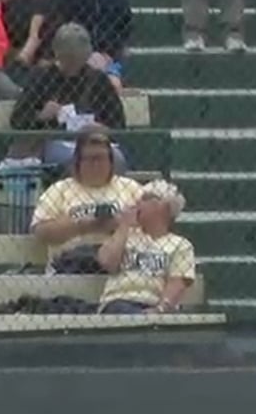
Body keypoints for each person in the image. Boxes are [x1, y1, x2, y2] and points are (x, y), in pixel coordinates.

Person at [11, 22, 128, 170]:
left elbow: (118, 123)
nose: (73, 66)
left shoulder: (98, 80)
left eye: (78, 61)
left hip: (94, 141)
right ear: (58, 55)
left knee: (116, 159)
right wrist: (41, 116)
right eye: (68, 60)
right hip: (56, 141)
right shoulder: (42, 77)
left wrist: (103, 129)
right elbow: (17, 119)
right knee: (75, 160)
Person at [29, 128, 143, 274]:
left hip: (120, 267)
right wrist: (84, 225)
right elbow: (41, 232)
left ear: (111, 161)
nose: (95, 164)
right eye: (89, 159)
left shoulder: (130, 188)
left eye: (100, 158)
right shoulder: (59, 189)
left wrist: (119, 225)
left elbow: (154, 225)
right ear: (77, 162)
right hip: (68, 267)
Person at [96, 180, 196, 315]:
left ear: (163, 207)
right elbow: (107, 263)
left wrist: (159, 309)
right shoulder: (125, 235)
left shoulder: (180, 244)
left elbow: (177, 283)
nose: (137, 203)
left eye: (144, 199)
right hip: (119, 301)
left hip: (154, 305)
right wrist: (124, 225)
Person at [51, 0, 135, 91]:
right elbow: (63, 29)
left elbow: (124, 30)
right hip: (78, 55)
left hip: (110, 56)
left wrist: (110, 53)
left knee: (114, 82)